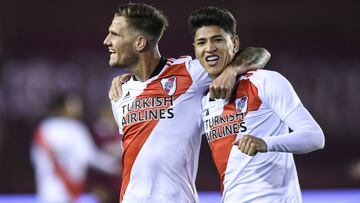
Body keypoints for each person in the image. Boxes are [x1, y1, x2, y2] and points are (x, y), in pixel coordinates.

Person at [103, 3, 270, 203]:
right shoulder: (120, 93)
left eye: (115, 34)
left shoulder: (190, 73)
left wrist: (230, 72)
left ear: (140, 43)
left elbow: (260, 54)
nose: (107, 41)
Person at [188, 7, 325, 202]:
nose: (209, 48)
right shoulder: (203, 101)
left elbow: (315, 137)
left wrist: (266, 143)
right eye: (202, 42)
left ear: (234, 43)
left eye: (217, 39)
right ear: (195, 48)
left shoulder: (265, 81)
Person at [31, 93, 120, 203]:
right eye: (72, 104)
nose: (77, 107)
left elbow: (36, 159)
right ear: (61, 107)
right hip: (68, 189)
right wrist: (115, 166)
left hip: (47, 190)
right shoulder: (75, 128)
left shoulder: (43, 128)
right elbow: (90, 157)